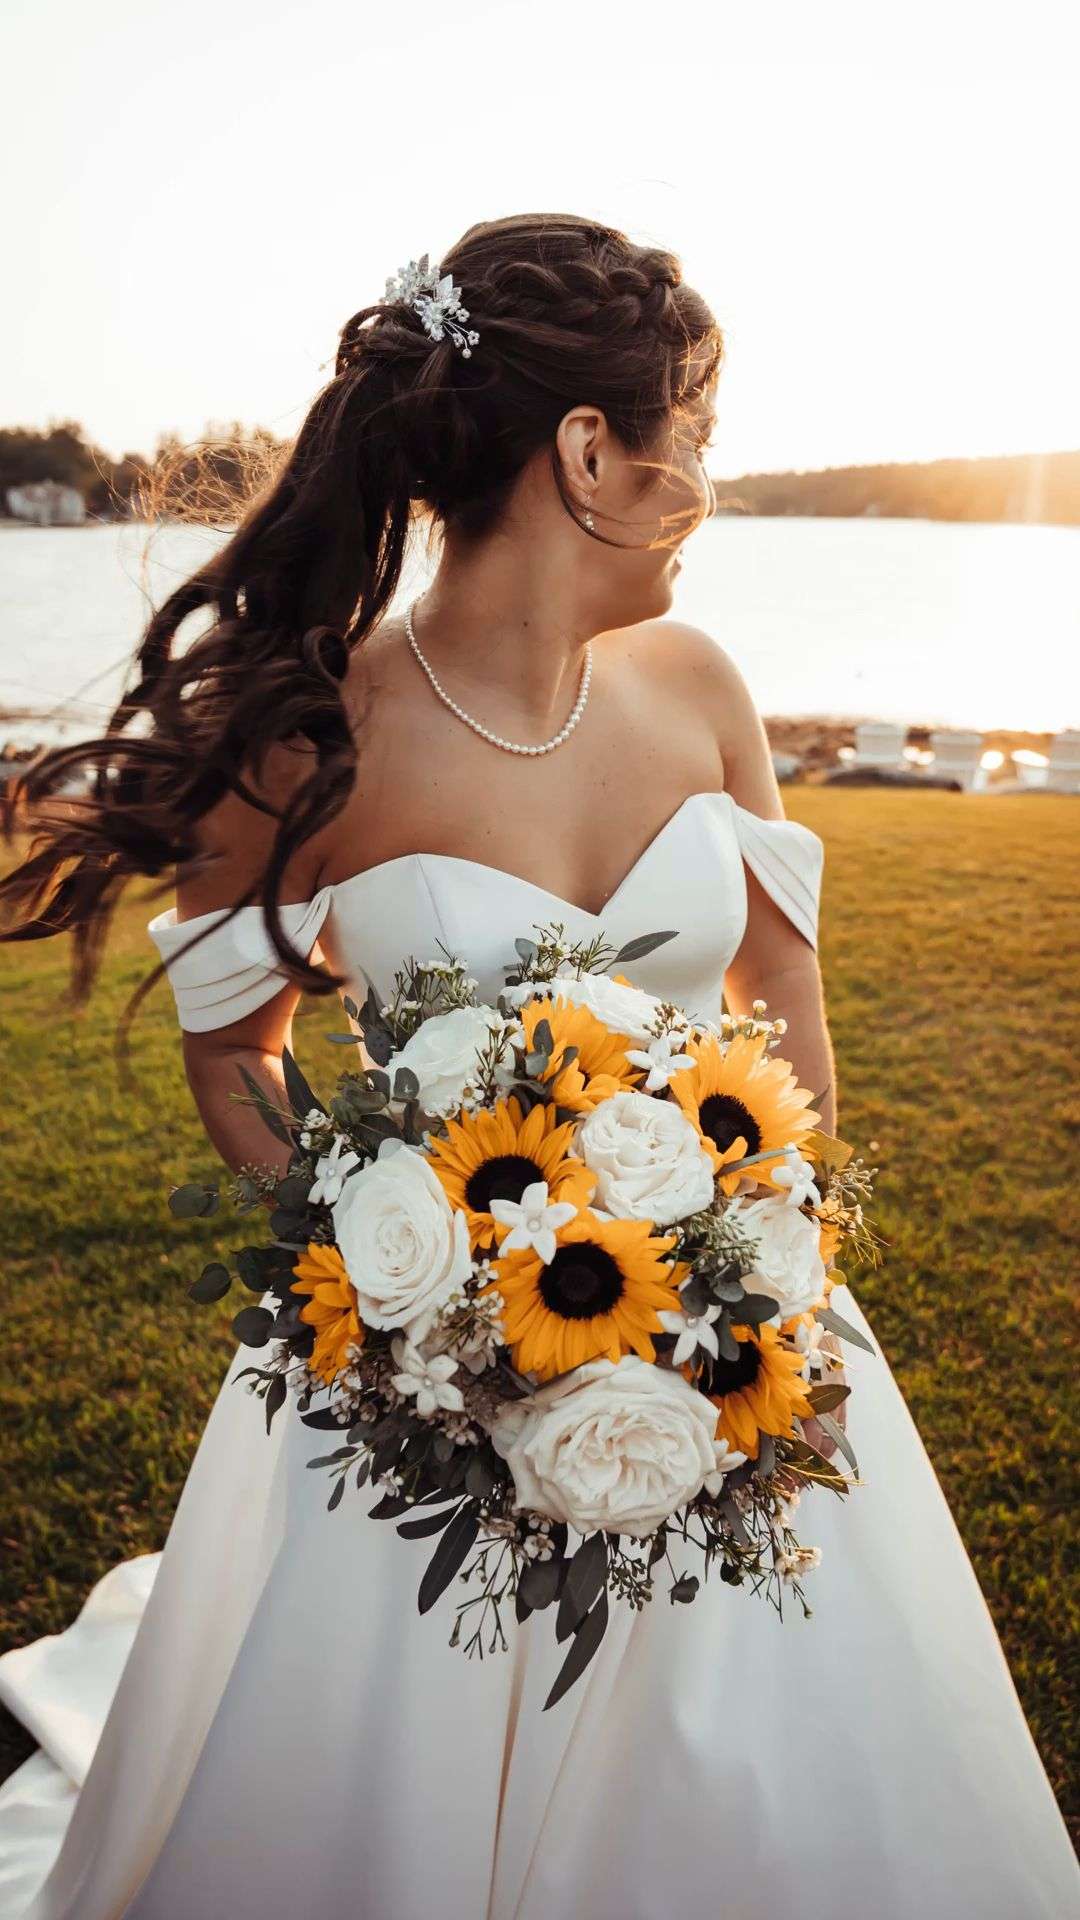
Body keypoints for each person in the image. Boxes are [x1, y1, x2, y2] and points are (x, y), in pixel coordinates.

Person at [0, 213, 1076, 1919]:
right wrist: (416, 1289)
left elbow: (784, 989)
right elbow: (238, 1059)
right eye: (693, 443)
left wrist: (772, 1263)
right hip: (420, 1379)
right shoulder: (313, 736)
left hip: (739, 1339)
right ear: (590, 454)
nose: (704, 488)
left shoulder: (703, 685)